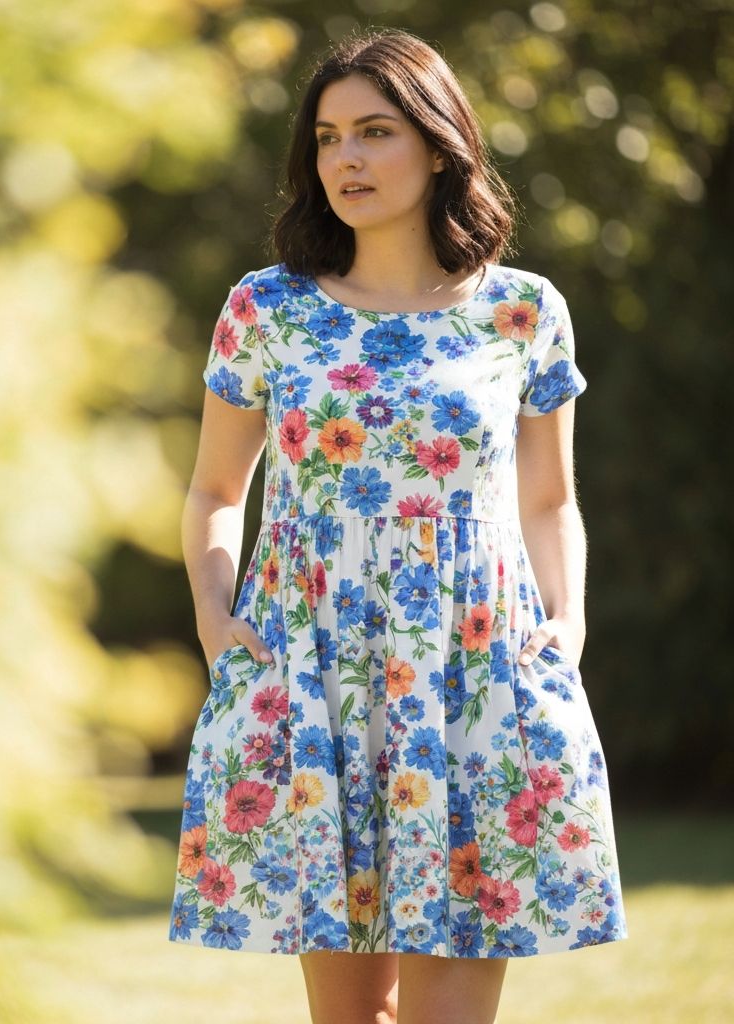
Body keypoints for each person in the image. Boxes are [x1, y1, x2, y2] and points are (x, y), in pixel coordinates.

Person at [167, 27, 628, 1024]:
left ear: (438, 143)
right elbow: (213, 490)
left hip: (474, 676)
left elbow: (550, 501)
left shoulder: (523, 313)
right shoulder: (267, 312)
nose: (346, 158)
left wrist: (569, 622)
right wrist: (214, 611)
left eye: (374, 131)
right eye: (328, 137)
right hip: (314, 675)